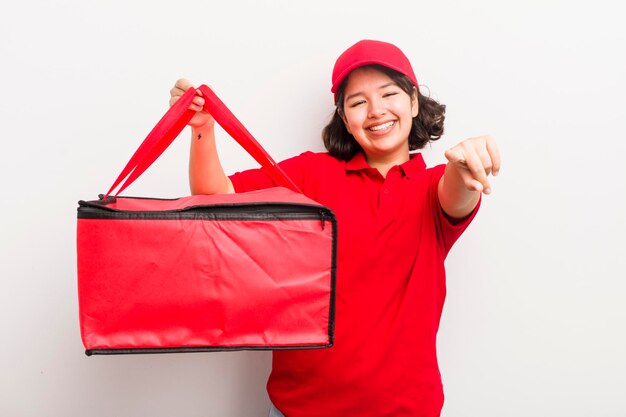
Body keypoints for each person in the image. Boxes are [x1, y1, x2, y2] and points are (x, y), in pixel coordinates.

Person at [170, 39, 500, 417]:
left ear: (412, 101)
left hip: (405, 409)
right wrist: (201, 129)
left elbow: (458, 193)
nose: (376, 111)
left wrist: (465, 165)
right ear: (344, 117)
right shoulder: (312, 173)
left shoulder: (432, 187)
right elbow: (215, 196)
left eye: (388, 94)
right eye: (358, 102)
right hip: (300, 407)